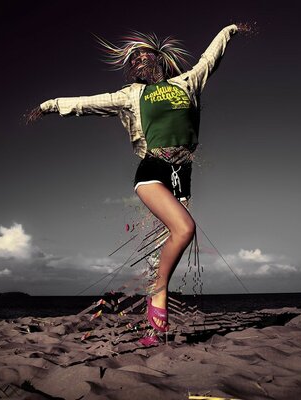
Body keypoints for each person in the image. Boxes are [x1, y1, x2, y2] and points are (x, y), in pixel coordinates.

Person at [25, 23, 252, 335]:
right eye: (132, 60)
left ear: (158, 58)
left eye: (143, 55)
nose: (137, 60)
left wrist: (231, 30)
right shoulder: (132, 96)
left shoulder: (188, 82)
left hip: (181, 174)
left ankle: (155, 327)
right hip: (151, 171)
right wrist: (48, 106)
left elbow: (210, 58)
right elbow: (88, 102)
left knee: (171, 239)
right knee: (185, 229)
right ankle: (159, 290)